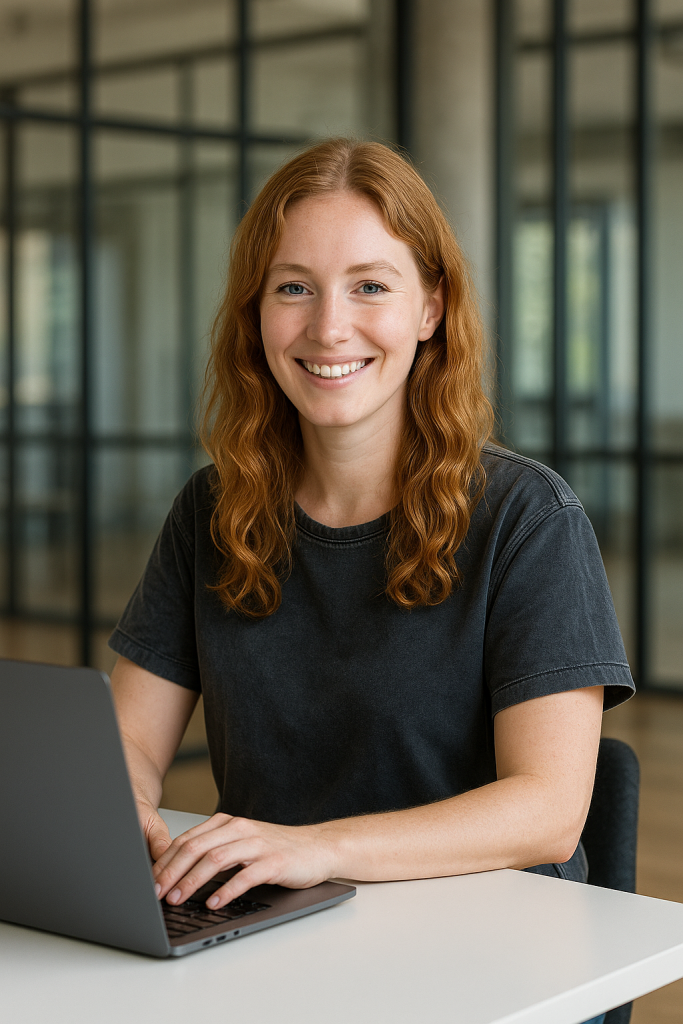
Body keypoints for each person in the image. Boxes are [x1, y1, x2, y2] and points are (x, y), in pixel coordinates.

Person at [109, 141, 633, 1024]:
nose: (328, 328)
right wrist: (122, 811)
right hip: (275, 946)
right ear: (255, 313)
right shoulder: (212, 509)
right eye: (293, 287)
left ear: (430, 307)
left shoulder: (527, 517)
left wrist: (315, 849)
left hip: (490, 959)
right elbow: (126, 740)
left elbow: (546, 810)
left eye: (369, 286)